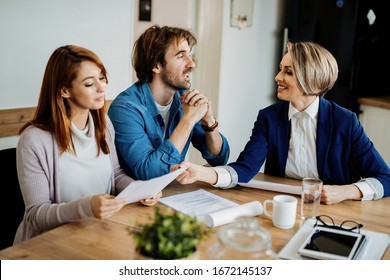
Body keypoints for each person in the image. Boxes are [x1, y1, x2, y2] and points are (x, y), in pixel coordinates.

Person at [174, 41, 390, 205]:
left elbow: (385, 178)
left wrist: (346, 191)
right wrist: (201, 173)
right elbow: (245, 169)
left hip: (335, 211)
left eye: (288, 72)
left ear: (311, 78)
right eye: (280, 69)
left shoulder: (345, 121)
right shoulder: (269, 118)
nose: (277, 77)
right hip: (282, 205)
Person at [14, 45, 161, 244]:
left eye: (102, 78)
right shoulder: (34, 140)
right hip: (50, 245)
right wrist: (86, 207)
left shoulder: (104, 124)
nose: (102, 88)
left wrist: (140, 189)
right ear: (65, 90)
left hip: (99, 233)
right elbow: (35, 215)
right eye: (89, 83)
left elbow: (115, 175)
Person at [108, 25, 230, 180]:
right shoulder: (125, 108)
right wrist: (188, 120)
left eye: (190, 55)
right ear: (156, 65)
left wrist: (209, 123)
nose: (191, 64)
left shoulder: (184, 99)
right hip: (135, 200)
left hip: (171, 194)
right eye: (181, 56)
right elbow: (149, 173)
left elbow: (218, 159)